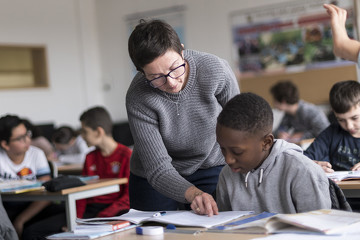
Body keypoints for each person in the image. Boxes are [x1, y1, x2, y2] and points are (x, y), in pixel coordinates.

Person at [126, 19, 240, 215]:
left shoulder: (214, 69)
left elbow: (242, 127)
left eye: (175, 68)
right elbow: (158, 168)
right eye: (156, 77)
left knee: (217, 226)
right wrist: (193, 194)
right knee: (154, 232)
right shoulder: (138, 97)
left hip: (210, 164)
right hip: (154, 177)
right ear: (142, 73)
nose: (170, 82)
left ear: (182, 51)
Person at [212, 93, 331, 213]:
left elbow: (320, 225)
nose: (228, 160)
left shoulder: (302, 171)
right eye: (222, 149)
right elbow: (224, 224)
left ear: (266, 142)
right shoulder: (227, 174)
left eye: (237, 152)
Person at [0, 115, 62, 239]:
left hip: (34, 208)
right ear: (5, 145)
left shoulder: (36, 154)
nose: (27, 140)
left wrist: (21, 220)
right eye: (20, 138)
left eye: (27, 134)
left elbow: (47, 194)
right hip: (6, 211)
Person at [76, 106, 131, 218]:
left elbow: (129, 195)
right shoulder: (89, 157)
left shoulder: (126, 155)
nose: (82, 136)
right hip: (91, 209)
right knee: (35, 230)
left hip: (115, 209)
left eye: (84, 132)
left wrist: (104, 215)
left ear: (99, 132)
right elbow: (81, 192)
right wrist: (76, 219)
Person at [304, 80, 360, 172]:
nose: (349, 126)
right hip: (340, 185)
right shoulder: (331, 133)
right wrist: (313, 165)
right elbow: (303, 159)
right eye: (341, 120)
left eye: (354, 118)